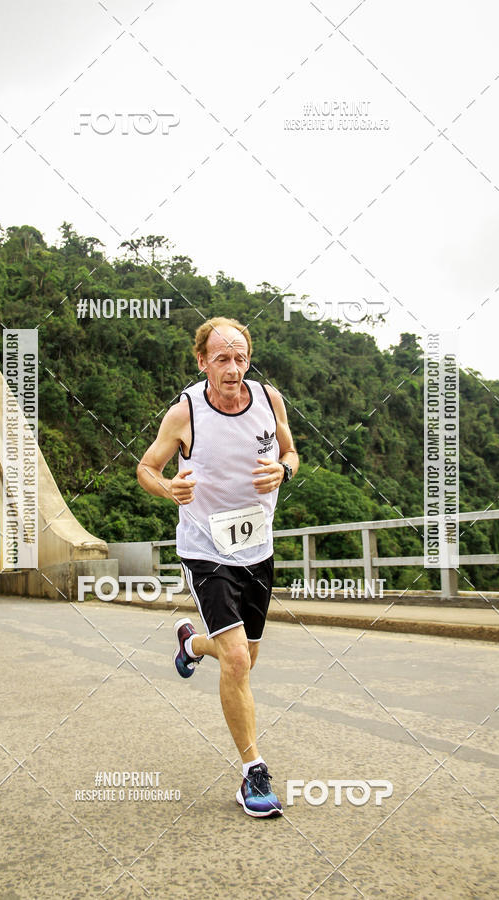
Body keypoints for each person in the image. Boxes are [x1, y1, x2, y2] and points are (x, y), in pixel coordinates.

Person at [137, 317, 299, 817]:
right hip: (206, 550)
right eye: (221, 358)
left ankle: (191, 643)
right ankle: (253, 771)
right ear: (202, 361)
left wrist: (284, 469)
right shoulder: (185, 412)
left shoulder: (270, 401)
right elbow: (146, 467)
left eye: (240, 357)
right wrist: (168, 488)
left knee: (246, 659)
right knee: (235, 663)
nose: (233, 369)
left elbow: (292, 452)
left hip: (257, 550)